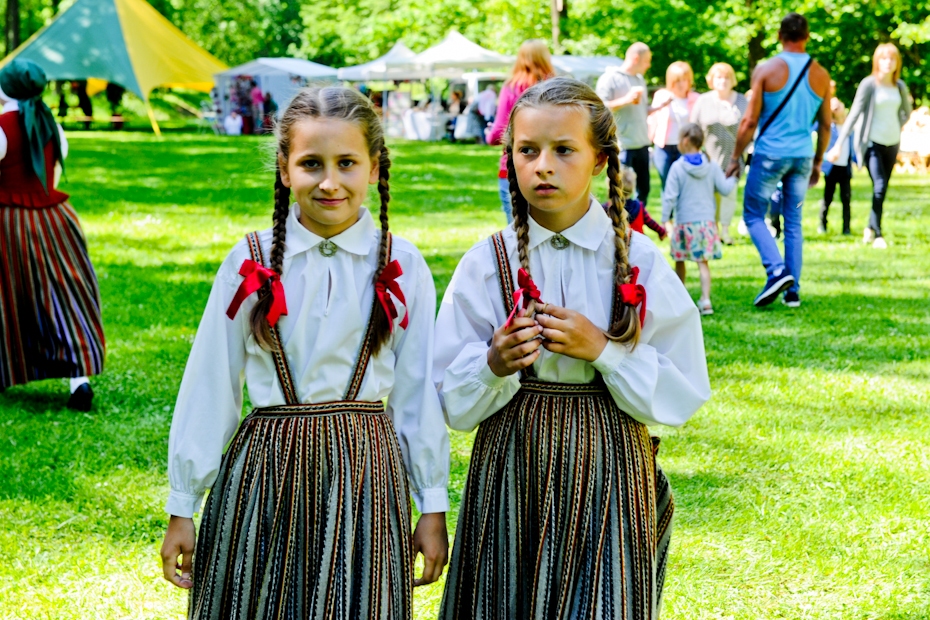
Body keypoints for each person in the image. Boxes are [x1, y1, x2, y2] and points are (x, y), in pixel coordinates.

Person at [160, 86, 450, 616]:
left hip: (364, 476)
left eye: (347, 163)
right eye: (311, 163)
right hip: (265, 473)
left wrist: (431, 502)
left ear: (375, 167)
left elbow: (416, 394)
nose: (330, 181)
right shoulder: (249, 261)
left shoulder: (402, 264)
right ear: (284, 169)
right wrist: (183, 504)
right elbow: (212, 381)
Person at [435, 77, 710, 619]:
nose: (543, 165)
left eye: (564, 150)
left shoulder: (640, 263)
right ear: (509, 157)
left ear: (601, 160)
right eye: (528, 150)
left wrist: (605, 350)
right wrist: (494, 362)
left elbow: (684, 391)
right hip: (512, 469)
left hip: (609, 469)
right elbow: (449, 397)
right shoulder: (485, 264)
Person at [0, 59, 105, 410]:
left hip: (10, 222)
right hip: (56, 219)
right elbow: (53, 177)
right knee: (62, 296)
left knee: (9, 299)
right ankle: (79, 380)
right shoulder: (53, 127)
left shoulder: (1, 128)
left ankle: (8, 365)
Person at [726, 13, 831, 308]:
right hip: (801, 158)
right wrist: (818, 162)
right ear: (807, 36)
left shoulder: (767, 69)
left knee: (753, 214)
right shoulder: (821, 74)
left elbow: (749, 120)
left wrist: (735, 156)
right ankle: (793, 291)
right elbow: (825, 125)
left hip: (771, 156)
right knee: (794, 221)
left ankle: (775, 271)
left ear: (779, 35)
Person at [827, 43, 911, 249]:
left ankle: (870, 228)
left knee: (881, 188)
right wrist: (838, 144)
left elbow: (906, 112)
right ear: (877, 61)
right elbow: (854, 114)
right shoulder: (869, 85)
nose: (887, 62)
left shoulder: (899, 86)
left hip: (892, 142)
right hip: (871, 142)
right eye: (883, 58)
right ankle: (878, 233)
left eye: (891, 59)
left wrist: (896, 125)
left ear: (896, 63)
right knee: (880, 185)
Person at [662, 124, 736, 316]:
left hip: (684, 224)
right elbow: (725, 189)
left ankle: (679, 299)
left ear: (684, 141)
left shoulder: (678, 167)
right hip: (705, 224)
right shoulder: (711, 165)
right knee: (703, 263)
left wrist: (664, 219)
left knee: (680, 262)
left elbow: (669, 196)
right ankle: (706, 300)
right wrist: (734, 176)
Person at [487, 39, 555, 223]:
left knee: (518, 236)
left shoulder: (512, 88)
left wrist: (489, 135)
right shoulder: (557, 89)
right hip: (554, 168)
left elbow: (498, 133)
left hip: (516, 168)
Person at [690, 62, 749, 244]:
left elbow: (750, 127)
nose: (722, 81)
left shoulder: (742, 101)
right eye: (718, 77)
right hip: (709, 158)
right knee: (710, 196)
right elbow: (693, 128)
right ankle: (712, 230)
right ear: (711, 80)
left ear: (732, 80)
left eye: (726, 77)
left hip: (734, 157)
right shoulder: (703, 101)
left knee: (729, 193)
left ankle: (725, 231)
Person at [596, 42, 657, 206]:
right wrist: (626, 100)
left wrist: (659, 107)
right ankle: (619, 225)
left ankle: (637, 224)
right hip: (623, 145)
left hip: (642, 143)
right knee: (621, 189)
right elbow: (598, 108)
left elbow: (641, 109)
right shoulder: (610, 78)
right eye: (647, 60)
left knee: (644, 190)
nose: (649, 65)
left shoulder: (640, 80)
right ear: (636, 58)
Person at [650, 61, 700, 189]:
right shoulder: (661, 96)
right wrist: (647, 141)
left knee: (684, 185)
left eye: (684, 80)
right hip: (663, 147)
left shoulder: (696, 98)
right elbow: (653, 120)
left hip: (686, 147)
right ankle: (667, 210)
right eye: (676, 80)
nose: (681, 84)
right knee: (666, 185)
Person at [819, 95, 855, 234]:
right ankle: (823, 224)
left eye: (837, 105)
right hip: (831, 167)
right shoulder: (828, 126)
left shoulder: (849, 127)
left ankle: (846, 228)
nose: (836, 108)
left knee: (846, 199)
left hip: (845, 167)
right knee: (827, 198)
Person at [603, 165, 667, 240]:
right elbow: (650, 222)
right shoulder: (639, 206)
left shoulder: (606, 209)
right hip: (638, 246)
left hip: (615, 246)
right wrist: (662, 232)